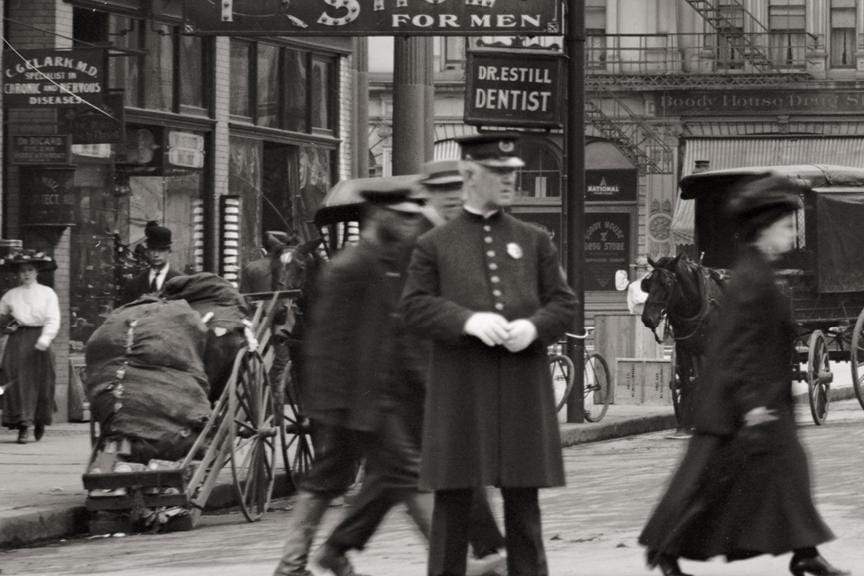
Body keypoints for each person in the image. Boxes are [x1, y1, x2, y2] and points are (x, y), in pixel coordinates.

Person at [639, 175, 848, 576]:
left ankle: (805, 553)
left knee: (783, 473)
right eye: (786, 226)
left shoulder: (756, 271)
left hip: (751, 401)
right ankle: (666, 549)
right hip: (739, 405)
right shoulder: (752, 278)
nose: (791, 234)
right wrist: (753, 405)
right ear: (765, 229)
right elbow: (738, 347)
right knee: (708, 485)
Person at [401, 133, 579, 576]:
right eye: (498, 172)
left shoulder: (534, 239)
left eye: (512, 172)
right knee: (452, 510)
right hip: (462, 392)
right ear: (468, 175)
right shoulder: (435, 244)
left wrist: (533, 327)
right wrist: (466, 321)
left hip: (520, 391)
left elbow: (564, 303)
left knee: (524, 514)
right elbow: (415, 305)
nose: (509, 180)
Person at [272, 186, 432, 576]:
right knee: (409, 474)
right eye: (404, 217)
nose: (413, 225)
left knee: (330, 477)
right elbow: (327, 342)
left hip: (371, 396)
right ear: (381, 217)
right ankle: (453, 560)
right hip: (360, 399)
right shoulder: (351, 268)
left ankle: (296, 563)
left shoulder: (387, 264)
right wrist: (333, 402)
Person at [417, 159, 508, 573]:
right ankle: (487, 550)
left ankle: (484, 551)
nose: (454, 195)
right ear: (428, 193)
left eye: (459, 186)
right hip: (422, 372)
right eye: (444, 188)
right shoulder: (420, 239)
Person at [0, 250, 60, 444]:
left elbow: (53, 318)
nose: (26, 274)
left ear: (37, 272)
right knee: (16, 381)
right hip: (18, 340)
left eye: (30, 270)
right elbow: (1, 316)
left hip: (40, 337)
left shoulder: (47, 293)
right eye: (22, 270)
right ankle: (23, 425)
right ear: (18, 274)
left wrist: (45, 339)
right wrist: (5, 324)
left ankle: (39, 420)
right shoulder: (11, 295)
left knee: (41, 381)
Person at [117, 222, 180, 305]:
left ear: (169, 251)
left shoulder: (181, 282)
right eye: (152, 249)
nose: (156, 255)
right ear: (147, 251)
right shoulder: (133, 284)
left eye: (161, 250)